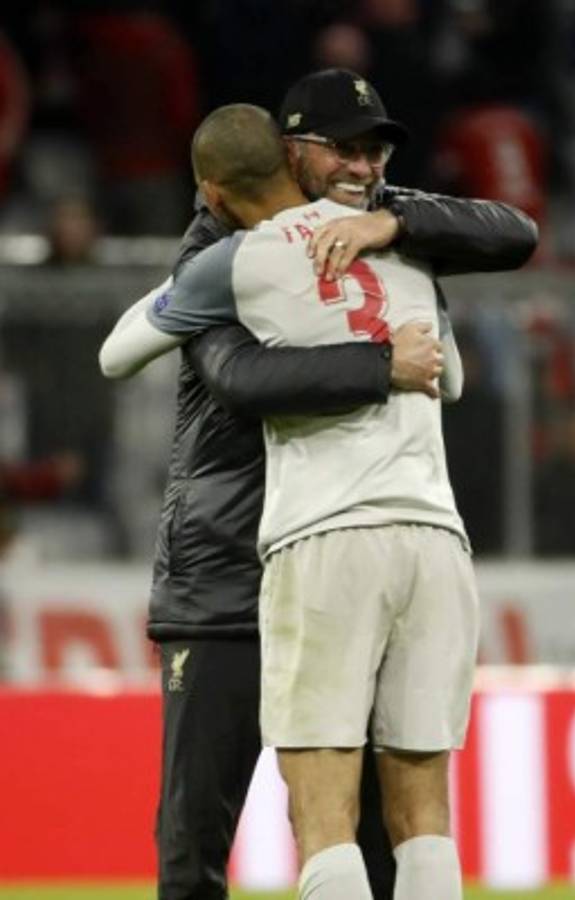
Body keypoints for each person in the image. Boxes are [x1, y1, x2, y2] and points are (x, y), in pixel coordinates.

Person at [100, 70, 537, 900]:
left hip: (323, 546)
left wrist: (390, 220)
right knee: (201, 839)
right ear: (287, 151)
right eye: (344, 148)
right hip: (231, 576)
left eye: (375, 150)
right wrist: (385, 361)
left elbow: (513, 228)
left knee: (350, 825)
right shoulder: (216, 252)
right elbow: (239, 380)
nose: (363, 164)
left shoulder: (388, 222)